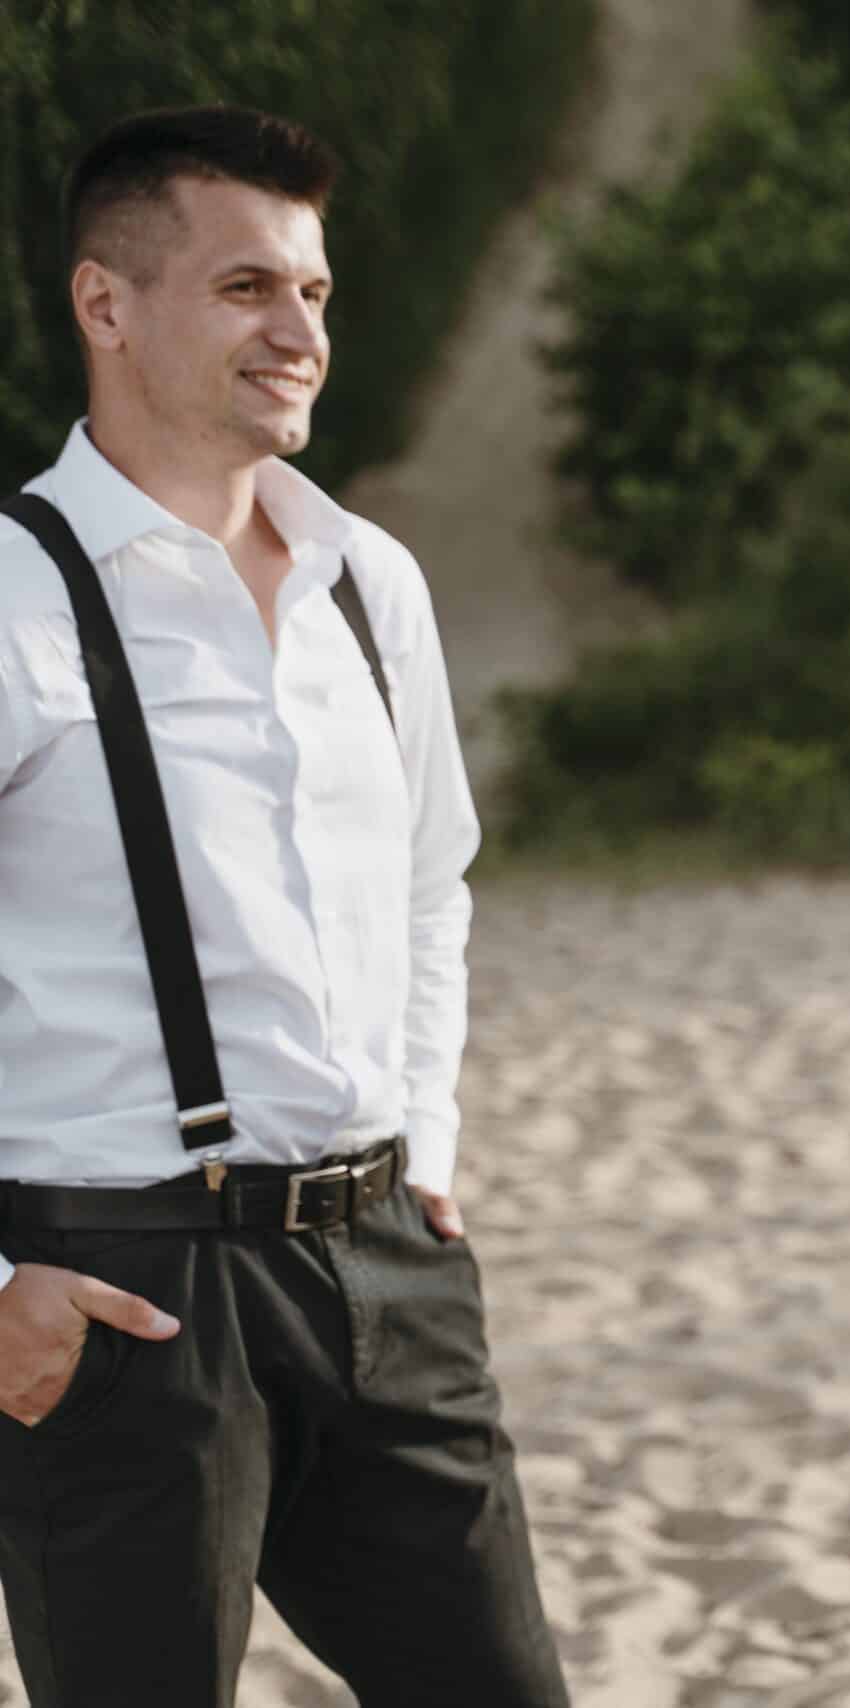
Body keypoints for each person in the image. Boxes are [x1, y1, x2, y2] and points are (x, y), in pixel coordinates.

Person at [0, 107, 564, 1706]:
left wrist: (428, 1143)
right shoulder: (14, 594)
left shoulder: (368, 579)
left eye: (315, 291)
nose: (301, 331)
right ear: (107, 305)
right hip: (125, 1301)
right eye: (250, 287)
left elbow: (431, 878)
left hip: (388, 1271)